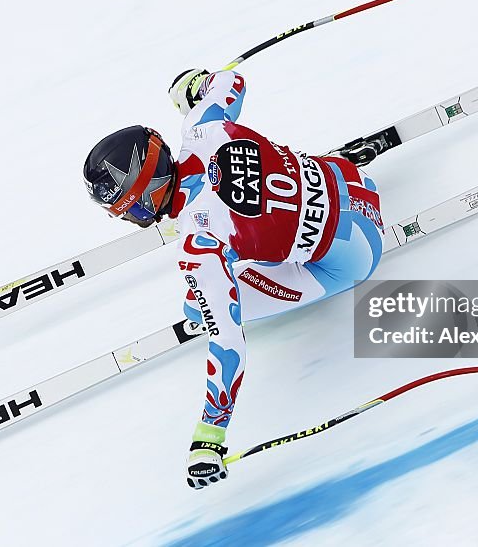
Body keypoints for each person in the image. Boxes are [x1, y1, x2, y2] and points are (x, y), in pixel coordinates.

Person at [83, 68, 385, 489]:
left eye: (128, 211)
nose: (132, 219)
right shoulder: (202, 127)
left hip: (355, 256)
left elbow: (228, 341)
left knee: (197, 305)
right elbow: (233, 81)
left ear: (146, 191)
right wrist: (193, 85)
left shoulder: (197, 245)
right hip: (351, 178)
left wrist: (210, 437)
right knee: (241, 247)